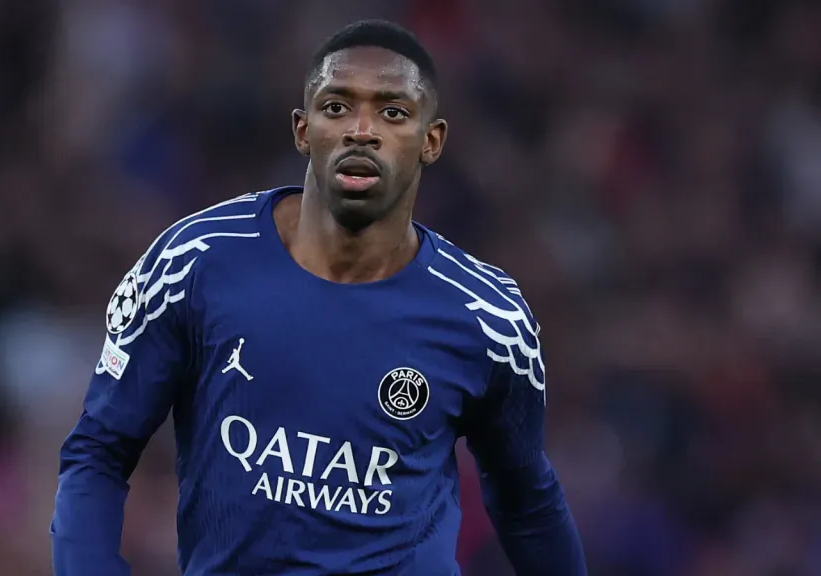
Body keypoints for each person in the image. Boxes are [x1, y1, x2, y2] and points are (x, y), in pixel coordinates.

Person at [51, 19, 587, 575]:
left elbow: (527, 502)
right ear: (303, 130)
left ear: (432, 140)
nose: (362, 129)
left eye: (392, 112)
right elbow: (99, 450)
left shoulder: (488, 318)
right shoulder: (196, 263)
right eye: (337, 107)